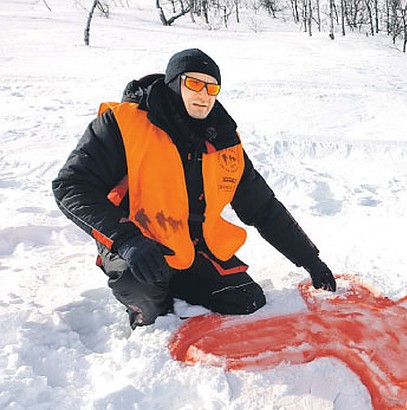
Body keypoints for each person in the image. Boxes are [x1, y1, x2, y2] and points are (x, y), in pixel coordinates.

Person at [52, 48, 336, 328]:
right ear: (174, 83)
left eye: (212, 87)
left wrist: (310, 260)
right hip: (135, 244)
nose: (204, 94)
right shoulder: (122, 123)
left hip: (192, 247)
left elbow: (262, 207)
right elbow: (71, 186)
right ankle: (149, 298)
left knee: (246, 300)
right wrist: (126, 240)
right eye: (194, 83)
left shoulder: (223, 139)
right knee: (153, 313)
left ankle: (177, 279)